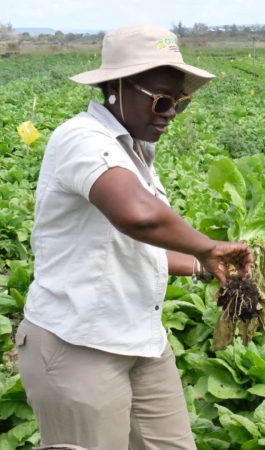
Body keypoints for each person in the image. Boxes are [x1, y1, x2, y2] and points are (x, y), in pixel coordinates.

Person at [15, 24, 252, 449]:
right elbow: (137, 216)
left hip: (141, 339)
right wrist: (209, 245)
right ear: (118, 86)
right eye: (162, 100)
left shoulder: (133, 150)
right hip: (78, 346)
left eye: (179, 102)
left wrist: (202, 265)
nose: (170, 113)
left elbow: (127, 249)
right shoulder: (81, 138)